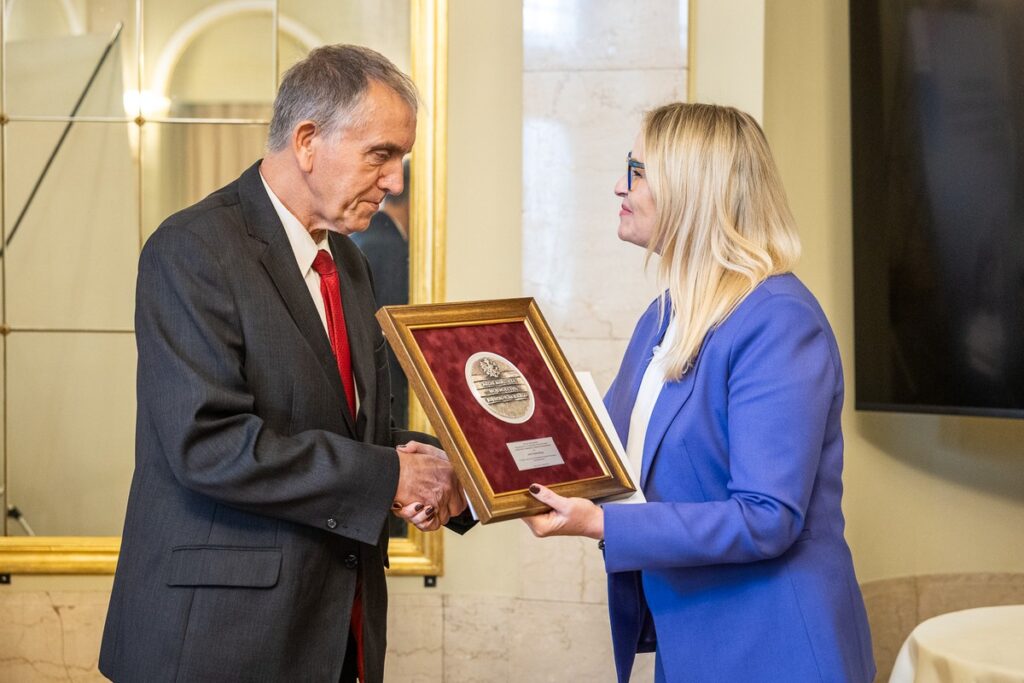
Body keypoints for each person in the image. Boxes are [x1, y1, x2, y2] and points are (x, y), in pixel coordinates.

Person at [99, 45, 468, 683]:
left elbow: (355, 434)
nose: (396, 181)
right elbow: (209, 444)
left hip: (331, 632)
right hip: (218, 643)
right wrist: (389, 477)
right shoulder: (191, 250)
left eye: (401, 158)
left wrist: (454, 468)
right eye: (381, 154)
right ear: (306, 140)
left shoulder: (349, 262)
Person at [522, 103, 875, 682]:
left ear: (691, 188)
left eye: (636, 170)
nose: (619, 186)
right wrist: (469, 481)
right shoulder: (663, 317)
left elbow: (766, 518)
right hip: (690, 642)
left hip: (776, 648)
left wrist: (602, 525)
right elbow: (589, 452)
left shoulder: (779, 320)